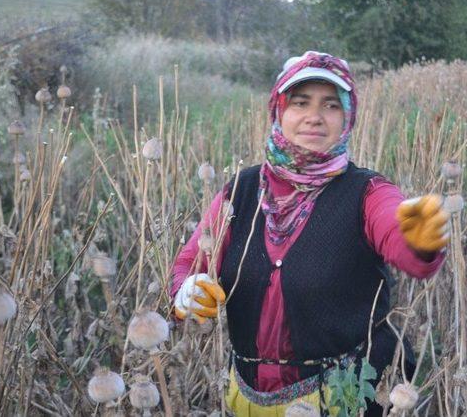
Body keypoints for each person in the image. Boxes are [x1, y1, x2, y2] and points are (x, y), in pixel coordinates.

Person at [170, 51, 448, 416]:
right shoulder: (239, 189)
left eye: (331, 105)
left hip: (349, 398)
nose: (314, 117)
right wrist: (184, 292)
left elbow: (400, 237)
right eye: (300, 103)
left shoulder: (368, 192)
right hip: (249, 397)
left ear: (347, 117)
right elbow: (192, 260)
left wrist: (419, 242)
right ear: (278, 111)